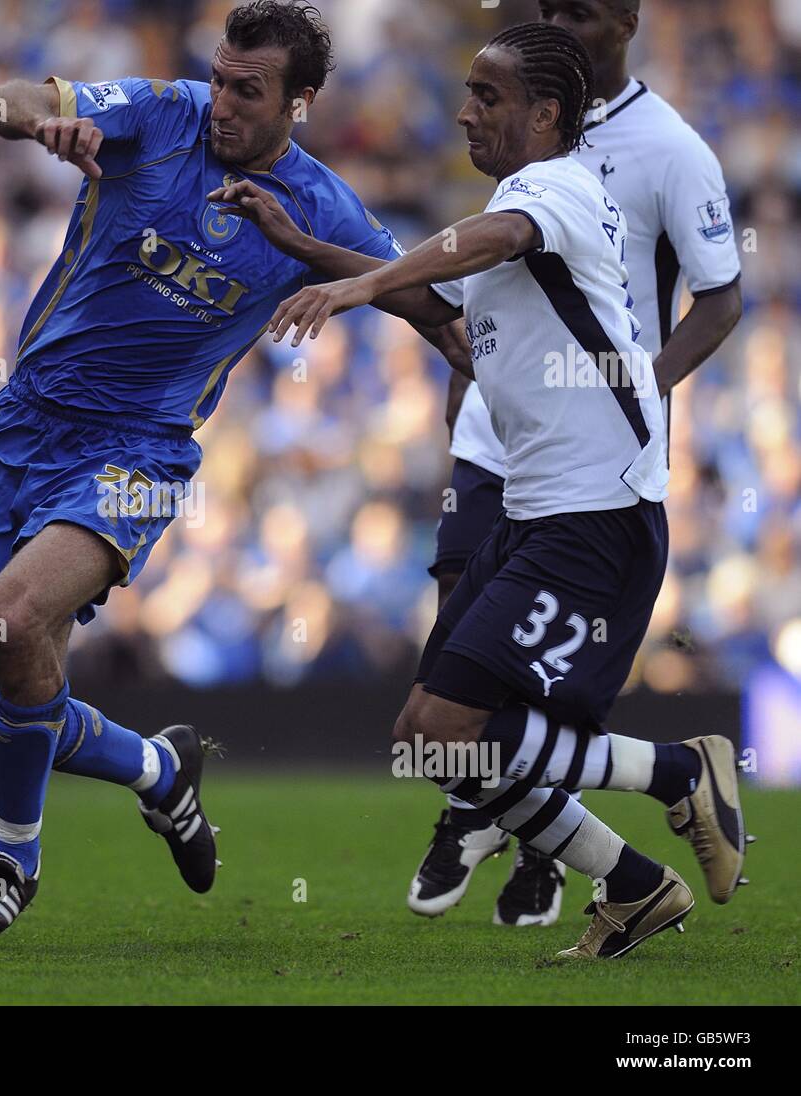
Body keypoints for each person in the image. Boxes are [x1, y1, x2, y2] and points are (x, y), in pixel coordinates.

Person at [0, 0, 470, 939]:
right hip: (22, 427)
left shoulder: (320, 206)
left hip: (141, 451)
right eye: (219, 78)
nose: (221, 102)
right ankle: (160, 770)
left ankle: (9, 862)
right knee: (6, 704)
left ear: (299, 103)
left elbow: (430, 305)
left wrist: (489, 369)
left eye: (247, 90)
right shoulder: (160, 111)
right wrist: (36, 120)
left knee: (13, 617)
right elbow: (6, 101)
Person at [265, 21, 747, 959]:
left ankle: (681, 773)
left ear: (546, 113)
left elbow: (483, 239)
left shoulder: (553, 191)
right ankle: (639, 884)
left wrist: (359, 292)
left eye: (487, 97)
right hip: (535, 509)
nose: (463, 111)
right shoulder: (523, 209)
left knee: (451, 730)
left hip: (596, 513)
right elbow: (443, 305)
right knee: (430, 740)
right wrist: (310, 248)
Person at [409, 0, 745, 928]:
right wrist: (463, 373)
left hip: (592, 461)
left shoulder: (670, 150)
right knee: (445, 698)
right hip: (496, 445)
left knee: (485, 706)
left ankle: (549, 847)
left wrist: (640, 397)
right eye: (547, 6)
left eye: (582, 10)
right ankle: (500, 816)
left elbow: (719, 303)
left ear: (629, 20)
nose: (561, 21)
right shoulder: (516, 135)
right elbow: (484, 285)